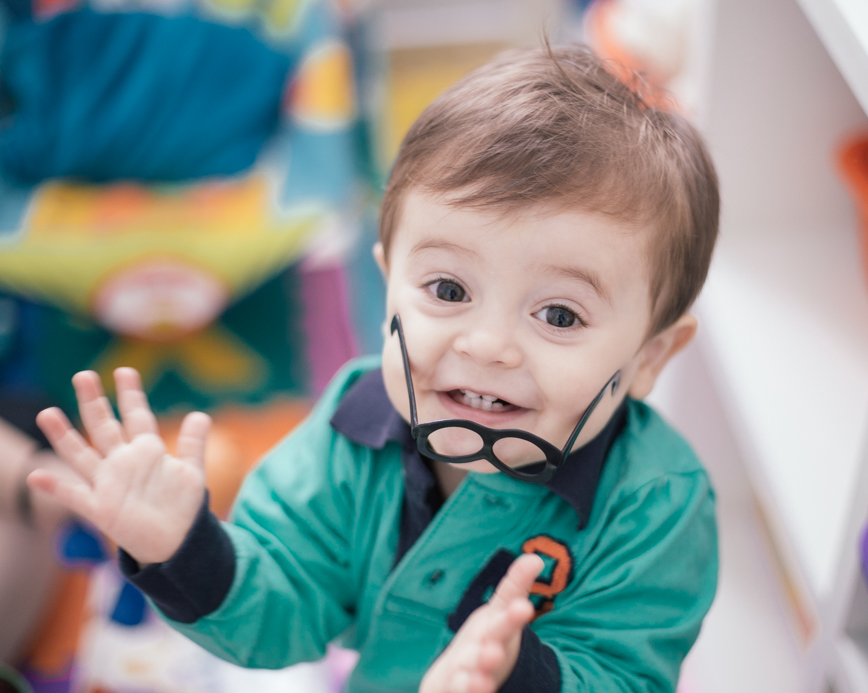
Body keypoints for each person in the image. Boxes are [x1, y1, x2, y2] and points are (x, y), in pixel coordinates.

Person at [28, 45, 721, 693]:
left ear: (648, 356)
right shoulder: (351, 426)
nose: (486, 346)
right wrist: (182, 549)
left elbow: (626, 672)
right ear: (388, 283)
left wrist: (515, 673)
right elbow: (281, 607)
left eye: (560, 316)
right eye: (448, 291)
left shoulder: (656, 504)